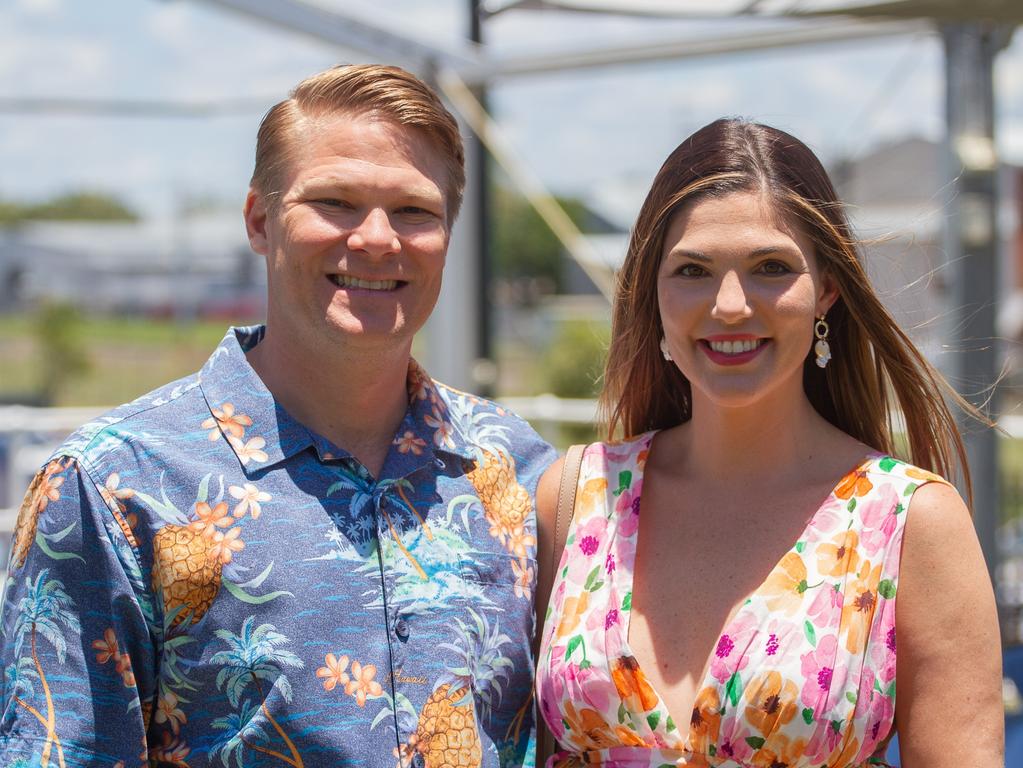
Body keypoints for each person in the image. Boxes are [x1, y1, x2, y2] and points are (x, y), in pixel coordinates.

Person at [1, 64, 555, 768]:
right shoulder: (114, 487)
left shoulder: (513, 471)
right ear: (260, 221)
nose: (378, 238)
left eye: (415, 210)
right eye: (335, 202)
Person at [534, 118, 1003, 767]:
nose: (729, 304)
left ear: (826, 290)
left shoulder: (907, 521)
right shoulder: (575, 496)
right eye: (692, 269)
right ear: (652, 292)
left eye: (770, 268)